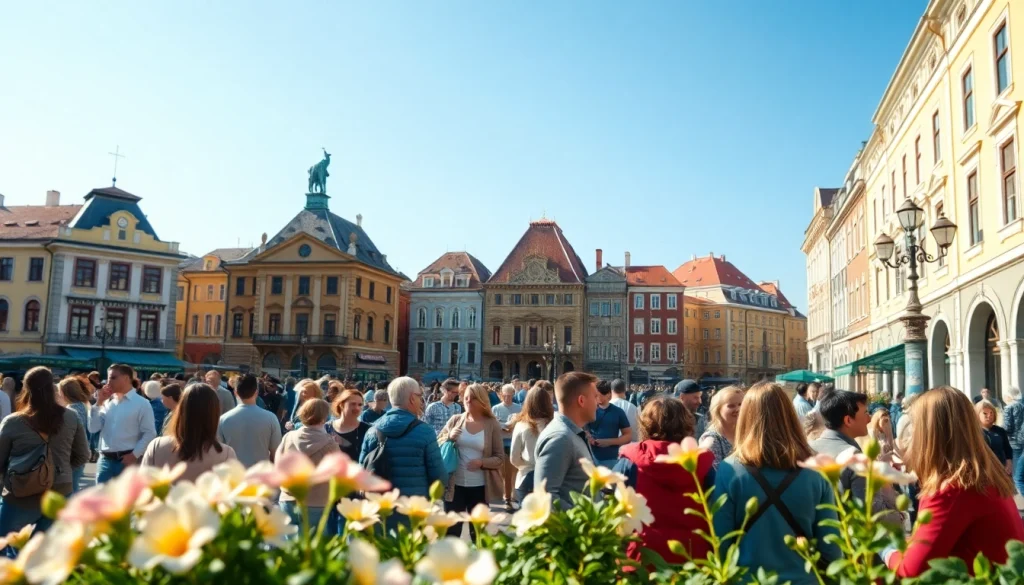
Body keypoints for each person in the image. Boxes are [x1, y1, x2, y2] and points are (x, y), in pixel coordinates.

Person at [884, 386, 1024, 577]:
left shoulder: (951, 489)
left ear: (928, 434)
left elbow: (911, 570)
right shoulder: (984, 476)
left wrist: (885, 549)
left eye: (914, 426)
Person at [713, 382, 840, 584]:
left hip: (747, 579)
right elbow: (831, 545)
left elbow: (721, 542)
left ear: (746, 417)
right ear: (789, 416)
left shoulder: (729, 470)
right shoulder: (816, 468)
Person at [614, 396, 714, 564]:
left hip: (642, 552)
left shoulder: (630, 460)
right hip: (692, 554)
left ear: (645, 424)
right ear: (687, 424)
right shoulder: (702, 463)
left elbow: (611, 497)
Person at [0, 367, 89, 541]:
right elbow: (83, 455)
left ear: (26, 388)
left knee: (4, 544)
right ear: (53, 388)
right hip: (59, 492)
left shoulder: (12, 422)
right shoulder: (71, 417)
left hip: (21, 493)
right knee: (47, 551)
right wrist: (59, 470)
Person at [809, 388, 901, 526]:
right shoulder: (854, 457)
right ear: (848, 420)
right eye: (865, 413)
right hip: (847, 543)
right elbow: (871, 514)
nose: (869, 418)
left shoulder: (808, 448)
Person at [359, 377, 448, 498]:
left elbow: (361, 471)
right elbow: (439, 475)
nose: (421, 401)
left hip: (380, 505)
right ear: (412, 398)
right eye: (419, 396)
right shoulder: (425, 431)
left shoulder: (372, 430)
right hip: (414, 507)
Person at [436, 384, 505, 538]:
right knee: (452, 532)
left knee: (478, 533)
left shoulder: (491, 424)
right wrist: (449, 437)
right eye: (465, 397)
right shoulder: (455, 420)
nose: (468, 401)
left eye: (472, 398)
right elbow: (438, 445)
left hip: (479, 487)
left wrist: (482, 462)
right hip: (455, 486)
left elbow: (500, 458)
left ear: (481, 401)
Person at [141, 383, 236, 483]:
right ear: (214, 414)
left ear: (181, 410)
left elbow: (142, 487)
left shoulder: (157, 446)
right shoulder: (225, 454)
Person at [535, 372, 599, 509]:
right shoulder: (560, 438)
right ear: (581, 401)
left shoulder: (571, 433)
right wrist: (585, 521)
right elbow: (545, 497)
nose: (598, 402)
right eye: (595, 397)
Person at [275, 399, 339, 533]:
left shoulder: (288, 437)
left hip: (288, 498)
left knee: (290, 546)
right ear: (324, 417)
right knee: (313, 548)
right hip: (316, 501)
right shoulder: (330, 443)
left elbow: (278, 465)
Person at [88, 364, 157, 483]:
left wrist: (134, 455)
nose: (108, 382)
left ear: (126, 378)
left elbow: (150, 433)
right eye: (109, 378)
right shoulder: (107, 402)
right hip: (105, 460)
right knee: (103, 499)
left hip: (126, 461)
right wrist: (98, 403)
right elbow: (93, 428)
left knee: (125, 500)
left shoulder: (142, 403)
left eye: (113, 378)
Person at [218, 374, 282, 469]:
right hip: (260, 475)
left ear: (235, 392)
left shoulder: (223, 419)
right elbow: (276, 453)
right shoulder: (271, 418)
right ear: (256, 392)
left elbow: (219, 452)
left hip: (234, 476)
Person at [510, 385, 554, 502]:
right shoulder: (555, 425)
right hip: (550, 476)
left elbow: (514, 458)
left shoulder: (521, 425)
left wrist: (526, 465)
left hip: (527, 475)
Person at [586, 380, 632, 468]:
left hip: (611, 459)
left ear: (608, 394)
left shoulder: (618, 412)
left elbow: (628, 436)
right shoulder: (590, 409)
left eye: (597, 395)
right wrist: (588, 436)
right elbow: (582, 427)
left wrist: (609, 442)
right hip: (590, 457)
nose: (595, 398)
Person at [57, 377, 91, 492]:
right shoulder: (83, 405)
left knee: (70, 489)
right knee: (74, 486)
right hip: (81, 452)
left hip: (72, 454)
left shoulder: (71, 410)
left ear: (64, 393)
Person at [492, 384, 522, 511]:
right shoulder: (495, 409)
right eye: (505, 396)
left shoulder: (519, 408)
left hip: (515, 442)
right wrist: (504, 426)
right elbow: (493, 425)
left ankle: (512, 494)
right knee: (504, 472)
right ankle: (506, 496)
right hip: (501, 442)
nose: (507, 398)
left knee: (515, 470)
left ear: (513, 395)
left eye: (510, 396)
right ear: (500, 395)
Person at [699, 385, 743, 467]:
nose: (738, 409)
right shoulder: (712, 440)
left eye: (740, 404)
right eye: (731, 406)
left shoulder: (747, 432)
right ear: (718, 410)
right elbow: (714, 474)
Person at [327, 389, 371, 461]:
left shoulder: (368, 430)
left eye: (360, 405)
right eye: (353, 404)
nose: (357, 408)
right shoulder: (326, 428)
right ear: (341, 405)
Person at [977, 399, 1013, 476]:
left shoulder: (1000, 430)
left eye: (991, 413)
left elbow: (1007, 449)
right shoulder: (975, 432)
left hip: (1002, 470)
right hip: (985, 472)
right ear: (977, 414)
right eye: (985, 413)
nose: (989, 416)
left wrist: (1009, 463)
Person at [1002, 386, 1024, 494]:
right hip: (1022, 439)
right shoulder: (1021, 405)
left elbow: (1007, 426)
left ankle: (1017, 489)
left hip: (1013, 441)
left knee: (1015, 470)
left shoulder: (1008, 408)